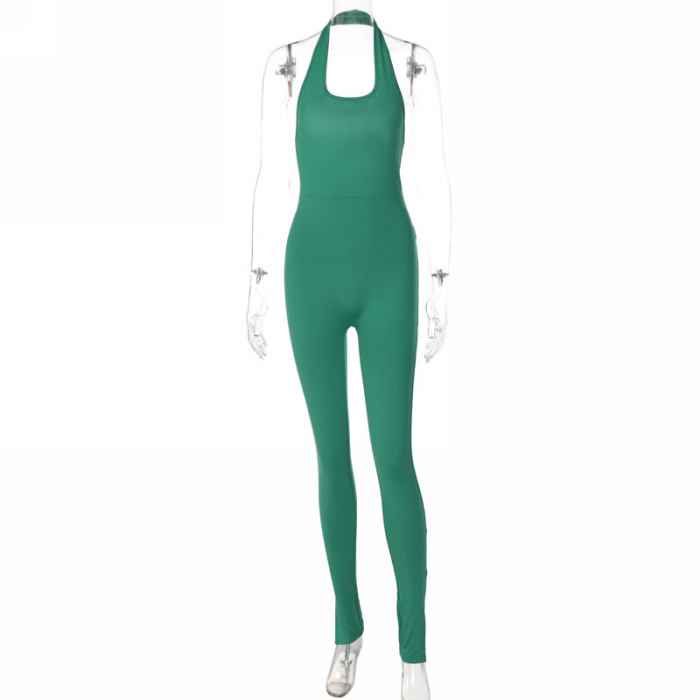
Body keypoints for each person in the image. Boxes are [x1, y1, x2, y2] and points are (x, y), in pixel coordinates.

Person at [247, 3, 452, 698]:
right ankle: (347, 629)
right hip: (311, 276)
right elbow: (270, 176)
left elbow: (434, 176)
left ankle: (414, 651)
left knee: (394, 459)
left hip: (389, 274)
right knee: (332, 458)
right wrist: (256, 279)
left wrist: (440, 279)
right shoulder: (286, 63)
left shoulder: (413, 61)